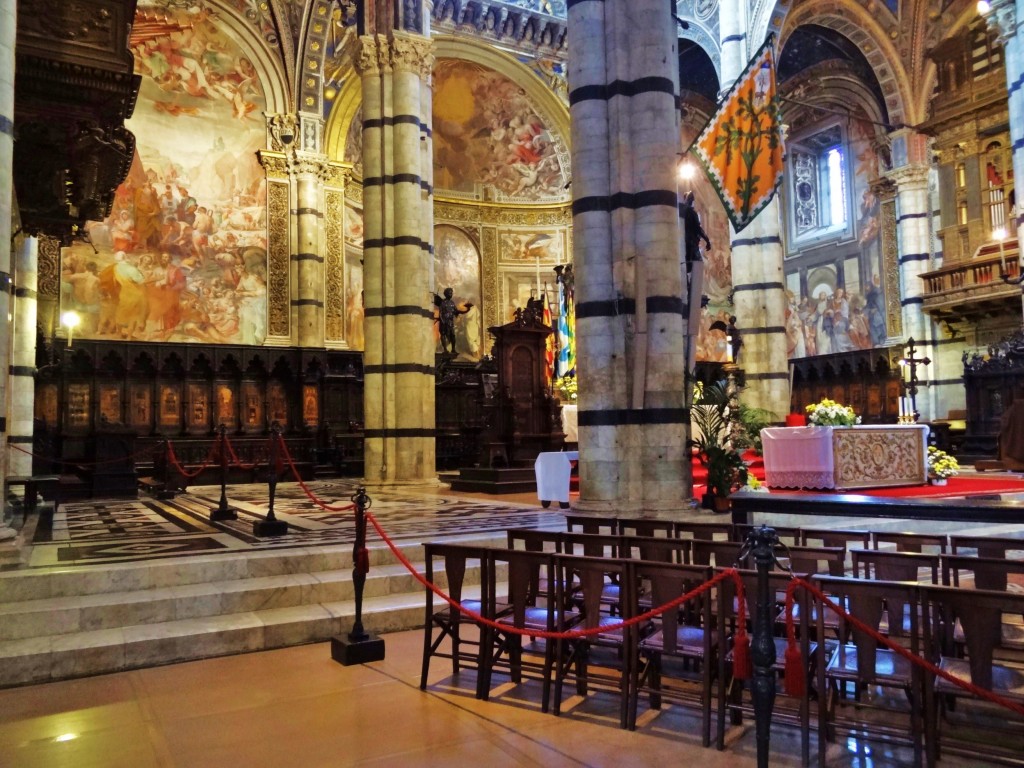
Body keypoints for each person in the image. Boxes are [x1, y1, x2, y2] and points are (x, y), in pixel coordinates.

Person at [433, 287, 472, 356]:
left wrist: (467, 309)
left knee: (453, 335)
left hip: (450, 322)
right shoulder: (443, 302)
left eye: (451, 293)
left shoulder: (452, 303)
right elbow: (441, 313)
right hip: (444, 322)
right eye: (450, 293)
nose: (451, 294)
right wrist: (443, 321)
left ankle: (453, 349)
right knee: (443, 335)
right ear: (446, 294)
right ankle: (445, 349)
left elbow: (457, 311)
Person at [682, 191, 712, 263]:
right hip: (692, 243)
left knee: (687, 264)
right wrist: (707, 240)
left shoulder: (680, 211)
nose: (692, 201)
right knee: (697, 263)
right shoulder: (692, 212)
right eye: (691, 199)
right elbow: (698, 228)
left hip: (683, 243)